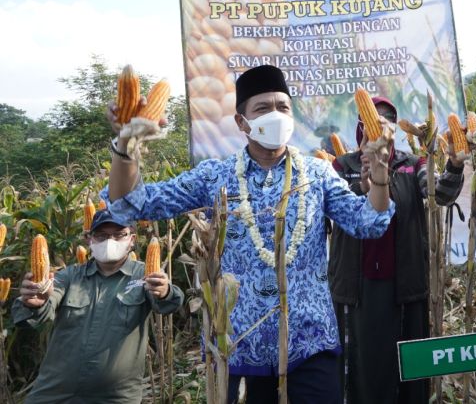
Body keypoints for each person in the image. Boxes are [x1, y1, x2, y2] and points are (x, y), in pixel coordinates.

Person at [102, 64, 395, 404]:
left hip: (310, 342)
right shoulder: (216, 176)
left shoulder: (318, 174)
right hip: (239, 348)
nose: (276, 115)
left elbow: (370, 222)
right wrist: (125, 144)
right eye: (263, 108)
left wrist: (380, 175)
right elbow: (129, 205)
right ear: (242, 123)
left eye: (283, 107)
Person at [328, 96, 467, 404]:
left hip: (403, 283)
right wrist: (362, 188)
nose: (382, 124)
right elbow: (333, 209)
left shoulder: (410, 164)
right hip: (357, 287)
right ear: (361, 126)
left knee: (406, 364)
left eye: (388, 118)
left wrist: (455, 165)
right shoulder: (342, 166)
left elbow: (440, 193)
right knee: (362, 365)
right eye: (374, 118)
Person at [12, 209, 184, 403]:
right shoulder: (69, 276)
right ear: (89, 239)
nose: (110, 241)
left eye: (119, 235)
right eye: (101, 235)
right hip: (55, 392)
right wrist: (35, 303)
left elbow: (170, 303)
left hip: (115, 397)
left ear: (132, 239)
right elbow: (41, 310)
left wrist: (165, 292)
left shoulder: (143, 276)